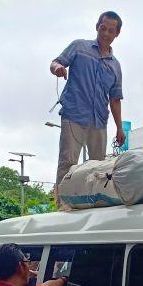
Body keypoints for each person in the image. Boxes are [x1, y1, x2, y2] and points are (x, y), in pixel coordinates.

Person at [49, 11, 125, 188]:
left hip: (99, 121)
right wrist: (58, 67)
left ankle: (92, 204)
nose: (105, 33)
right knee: (68, 162)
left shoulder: (115, 65)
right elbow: (55, 62)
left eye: (110, 30)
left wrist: (119, 128)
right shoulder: (79, 47)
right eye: (103, 28)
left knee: (98, 167)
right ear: (97, 27)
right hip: (74, 114)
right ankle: (64, 204)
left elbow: (115, 99)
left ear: (117, 34)